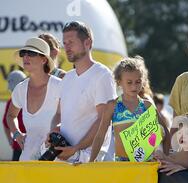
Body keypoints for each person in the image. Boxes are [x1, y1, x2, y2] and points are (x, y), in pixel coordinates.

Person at [49, 21, 117, 163]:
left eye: (71, 42)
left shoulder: (102, 75)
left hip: (89, 160)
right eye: (65, 43)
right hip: (66, 158)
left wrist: (76, 148)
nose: (66, 47)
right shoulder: (67, 78)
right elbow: (60, 115)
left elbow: (103, 121)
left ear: (88, 43)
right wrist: (54, 132)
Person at [89, 56, 170, 162]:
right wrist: (91, 161)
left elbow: (166, 133)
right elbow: (100, 135)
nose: (134, 86)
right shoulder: (112, 106)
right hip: (122, 165)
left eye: (138, 82)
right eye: (129, 82)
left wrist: (166, 158)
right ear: (119, 82)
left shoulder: (147, 106)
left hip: (146, 164)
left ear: (143, 81)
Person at [6, 38, 61, 161]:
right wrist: (17, 134)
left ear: (44, 59)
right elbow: (10, 116)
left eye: (31, 53)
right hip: (27, 161)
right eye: (23, 53)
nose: (25, 57)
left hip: (57, 161)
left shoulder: (60, 86)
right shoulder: (20, 89)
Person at [2, 70, 26, 161]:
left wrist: (11, 140)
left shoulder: (11, 101)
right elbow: (6, 122)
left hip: (23, 146)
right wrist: (11, 140)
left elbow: (5, 123)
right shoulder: (11, 101)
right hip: (21, 147)